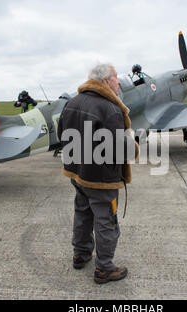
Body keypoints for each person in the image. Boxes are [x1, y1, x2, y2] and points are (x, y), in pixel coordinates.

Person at [58, 63, 139, 284]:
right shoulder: (110, 108)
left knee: (83, 213)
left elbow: (61, 134)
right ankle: (104, 268)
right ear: (105, 81)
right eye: (115, 77)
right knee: (107, 221)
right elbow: (119, 147)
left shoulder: (71, 103)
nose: (119, 81)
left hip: (77, 175)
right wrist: (135, 148)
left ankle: (80, 254)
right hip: (102, 179)